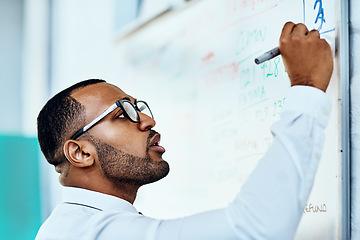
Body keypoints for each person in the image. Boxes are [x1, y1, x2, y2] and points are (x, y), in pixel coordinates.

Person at [35, 22, 333, 239]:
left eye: (139, 107)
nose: (147, 121)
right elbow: (254, 229)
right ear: (80, 152)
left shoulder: (81, 224)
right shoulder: (91, 232)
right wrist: (306, 88)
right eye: (122, 114)